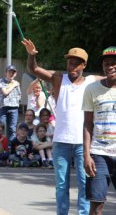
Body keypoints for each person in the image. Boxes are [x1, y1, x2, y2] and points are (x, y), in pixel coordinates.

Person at [21, 38, 103, 214]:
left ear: (83, 66)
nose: (71, 67)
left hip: (83, 143)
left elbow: (111, 77)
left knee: (83, 183)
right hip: (61, 141)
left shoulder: (91, 81)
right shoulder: (58, 79)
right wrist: (31, 56)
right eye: (69, 63)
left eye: (75, 64)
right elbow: (33, 69)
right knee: (61, 185)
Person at [83, 47, 116, 215]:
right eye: (106, 64)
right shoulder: (92, 89)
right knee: (97, 205)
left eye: (114, 63)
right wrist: (86, 155)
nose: (110, 67)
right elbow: (87, 124)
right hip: (99, 153)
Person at [0, 65, 21, 141]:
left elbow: (19, 95)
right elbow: (5, 92)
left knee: (12, 128)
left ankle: (10, 146)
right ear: (6, 73)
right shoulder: (2, 81)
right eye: (9, 72)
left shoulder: (17, 83)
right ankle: (0, 145)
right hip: (4, 108)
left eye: (13, 72)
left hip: (14, 108)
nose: (11, 74)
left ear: (15, 74)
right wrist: (13, 85)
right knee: (1, 126)